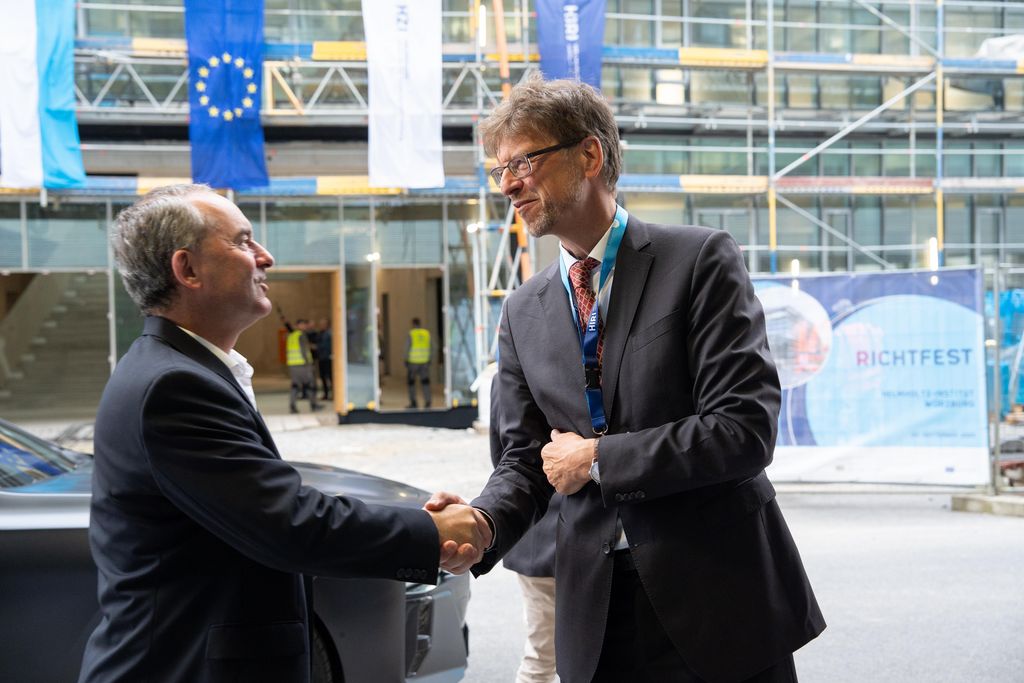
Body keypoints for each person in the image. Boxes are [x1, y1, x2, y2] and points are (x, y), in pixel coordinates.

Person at [429, 75, 825, 682]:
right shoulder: (522, 311)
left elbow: (744, 429)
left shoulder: (698, 261)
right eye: (499, 170)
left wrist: (598, 460)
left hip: (722, 602)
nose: (508, 184)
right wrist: (483, 523)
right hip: (598, 614)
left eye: (524, 162)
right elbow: (525, 459)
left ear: (589, 155)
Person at [79, 184, 489, 683]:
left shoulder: (184, 370)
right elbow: (285, 522)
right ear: (187, 270)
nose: (266, 257)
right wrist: (431, 532)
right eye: (243, 241)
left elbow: (261, 501)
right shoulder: (172, 385)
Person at [490, 377, 561, 683]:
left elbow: (504, 457)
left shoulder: (506, 376)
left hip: (537, 532)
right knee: (544, 655)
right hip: (548, 537)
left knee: (541, 654)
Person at [286, 318, 319, 413]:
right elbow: (304, 350)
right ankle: (314, 405)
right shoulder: (301, 335)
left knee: (295, 386)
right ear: (298, 325)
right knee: (309, 384)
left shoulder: (291, 335)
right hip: (303, 364)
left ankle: (292, 406)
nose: (305, 326)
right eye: (303, 324)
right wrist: (309, 363)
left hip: (293, 364)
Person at [405, 317, 432, 408]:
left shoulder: (411, 334)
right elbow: (432, 347)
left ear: (413, 324)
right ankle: (428, 401)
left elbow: (407, 348)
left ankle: (413, 402)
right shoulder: (426, 333)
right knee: (425, 382)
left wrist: (406, 359)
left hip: (413, 362)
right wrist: (429, 358)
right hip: (424, 362)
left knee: (411, 382)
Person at [316, 317, 333, 400]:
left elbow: (328, 346)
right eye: (321, 324)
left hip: (328, 358)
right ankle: (326, 394)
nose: (321, 325)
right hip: (321, 358)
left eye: (323, 324)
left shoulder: (329, 333)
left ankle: (334, 394)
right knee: (323, 377)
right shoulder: (320, 333)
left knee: (330, 377)